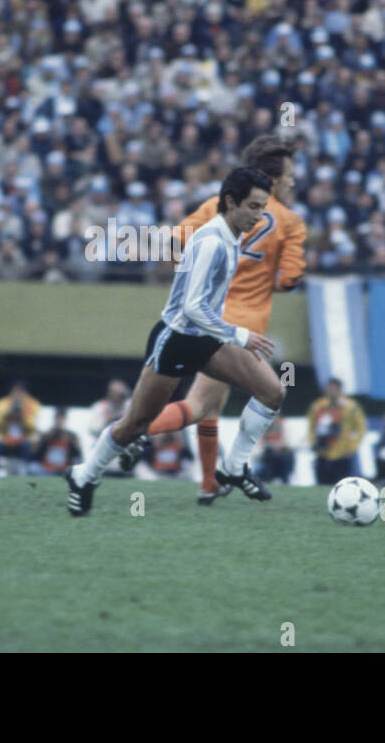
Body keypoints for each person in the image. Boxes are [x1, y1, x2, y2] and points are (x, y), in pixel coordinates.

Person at [65, 167, 283, 516]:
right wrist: (240, 334)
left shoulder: (232, 234)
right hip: (177, 339)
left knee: (272, 391)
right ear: (230, 202)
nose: (259, 216)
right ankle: (83, 475)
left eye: (262, 208)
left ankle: (234, 467)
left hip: (208, 337)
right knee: (134, 424)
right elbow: (191, 307)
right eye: (254, 207)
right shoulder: (213, 241)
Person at [119, 136, 306, 506]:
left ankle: (208, 483)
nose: (293, 182)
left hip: (202, 316)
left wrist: (190, 281)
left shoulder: (216, 206)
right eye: (289, 176)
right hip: (238, 328)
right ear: (273, 179)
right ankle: (137, 434)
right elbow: (289, 280)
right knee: (202, 405)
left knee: (210, 407)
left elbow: (173, 243)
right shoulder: (291, 224)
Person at [306, 378, 367, 486]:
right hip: (323, 452)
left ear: (340, 390)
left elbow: (361, 429)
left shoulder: (351, 407)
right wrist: (312, 444)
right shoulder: (318, 406)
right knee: (321, 485)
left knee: (343, 486)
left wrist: (352, 447)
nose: (332, 391)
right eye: (330, 388)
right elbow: (311, 428)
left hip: (343, 453)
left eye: (335, 389)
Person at [0, 379, 41, 475]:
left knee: (30, 444)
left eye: (20, 392)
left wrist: (22, 417)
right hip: (6, 441)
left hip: (24, 442)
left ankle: (27, 471)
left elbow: (33, 428)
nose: (17, 395)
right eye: (15, 391)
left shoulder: (33, 404)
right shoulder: (2, 403)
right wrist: (8, 415)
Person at [31, 407, 81, 476]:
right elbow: (34, 453)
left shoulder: (72, 436)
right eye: (58, 418)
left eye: (61, 418)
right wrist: (46, 439)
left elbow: (78, 455)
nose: (59, 421)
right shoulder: (47, 434)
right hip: (46, 468)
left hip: (64, 468)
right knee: (33, 467)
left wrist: (70, 442)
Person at [254, 414, 295, 484]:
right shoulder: (261, 428)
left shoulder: (284, 428)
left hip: (282, 459)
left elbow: (290, 445)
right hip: (265, 460)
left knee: (287, 457)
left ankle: (285, 481)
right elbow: (257, 451)